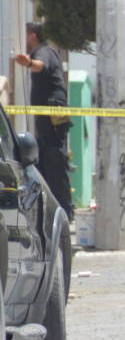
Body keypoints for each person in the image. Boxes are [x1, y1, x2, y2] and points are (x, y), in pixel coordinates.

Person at [14, 22, 73, 219]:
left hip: (52, 114)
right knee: (46, 162)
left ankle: (63, 210)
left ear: (32, 36)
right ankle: (53, 210)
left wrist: (29, 63)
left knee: (54, 160)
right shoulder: (49, 50)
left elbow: (41, 65)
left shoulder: (43, 51)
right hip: (50, 115)